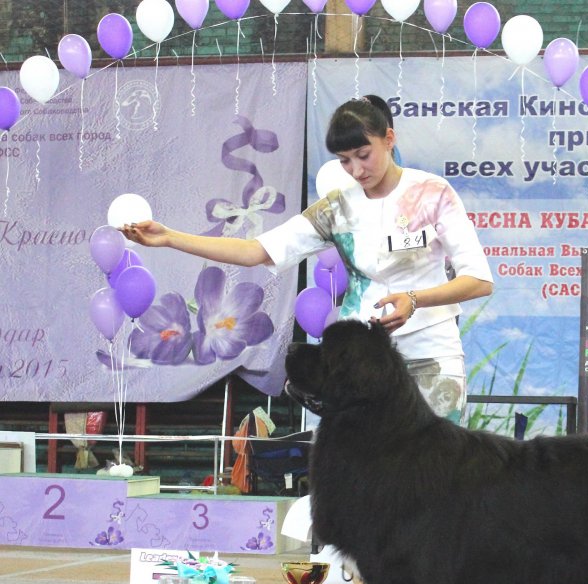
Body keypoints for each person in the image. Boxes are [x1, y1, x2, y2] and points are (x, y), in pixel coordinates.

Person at [121, 96, 493, 425]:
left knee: (437, 467)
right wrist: (170, 237)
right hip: (360, 363)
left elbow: (479, 280)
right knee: (363, 469)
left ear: (389, 139)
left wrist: (415, 299)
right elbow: (255, 251)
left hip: (431, 352)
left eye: (363, 155)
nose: (356, 170)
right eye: (345, 161)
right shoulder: (337, 207)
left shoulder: (433, 193)